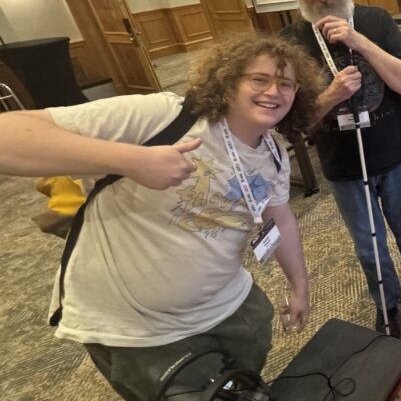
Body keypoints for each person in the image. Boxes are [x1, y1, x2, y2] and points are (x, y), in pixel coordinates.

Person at [0, 35, 323, 401]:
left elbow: (279, 218)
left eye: (286, 83)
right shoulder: (161, 116)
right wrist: (131, 160)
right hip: (140, 325)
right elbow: (7, 135)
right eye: (259, 79)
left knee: (245, 384)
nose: (273, 91)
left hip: (227, 301)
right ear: (229, 80)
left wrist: (301, 288)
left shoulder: (273, 150)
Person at [281, 0, 401, 339]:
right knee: (367, 245)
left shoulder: (374, 20)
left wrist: (358, 41)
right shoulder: (290, 41)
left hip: (397, 154)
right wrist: (330, 96)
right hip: (343, 165)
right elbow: (295, 125)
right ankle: (386, 303)